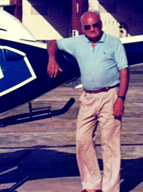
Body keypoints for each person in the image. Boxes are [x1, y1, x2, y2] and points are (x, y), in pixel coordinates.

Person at [47, 11, 129, 192]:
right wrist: (52, 58)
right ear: (82, 28)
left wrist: (120, 99)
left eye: (96, 25)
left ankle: (110, 188)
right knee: (82, 139)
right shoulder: (77, 43)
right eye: (88, 26)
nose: (92, 29)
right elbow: (52, 43)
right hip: (88, 98)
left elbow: (124, 72)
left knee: (110, 144)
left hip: (110, 96)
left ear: (101, 24)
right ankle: (92, 184)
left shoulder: (114, 42)